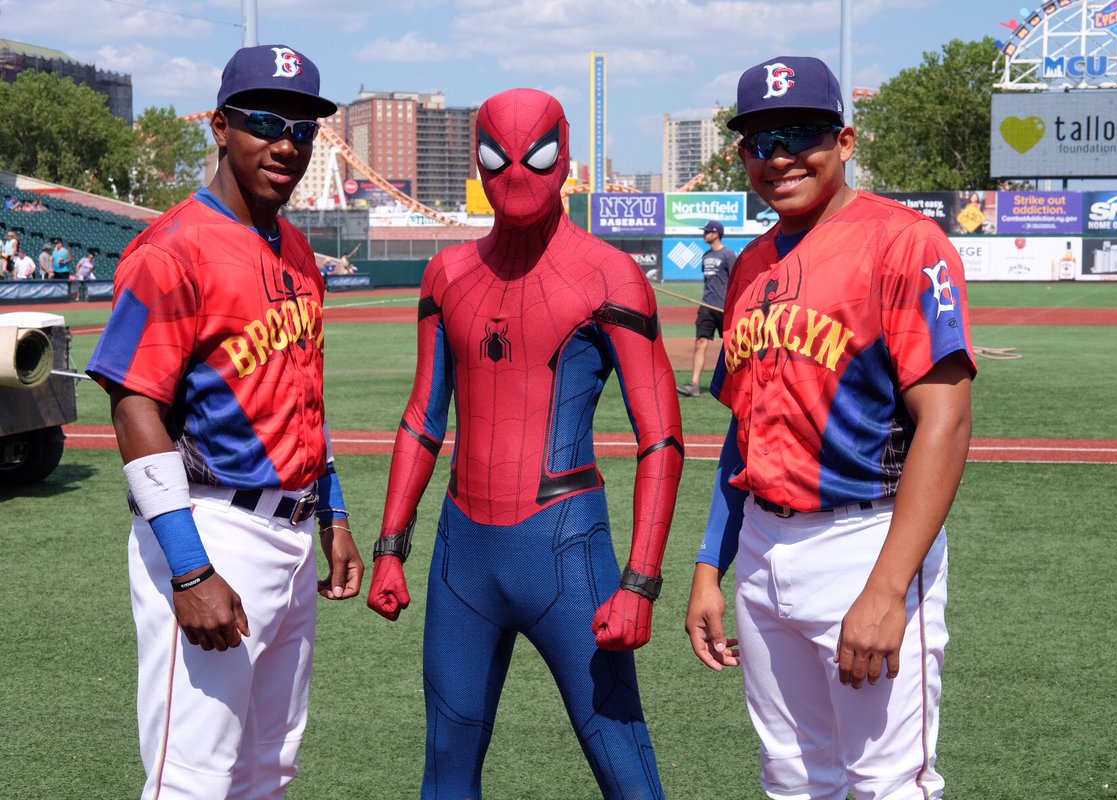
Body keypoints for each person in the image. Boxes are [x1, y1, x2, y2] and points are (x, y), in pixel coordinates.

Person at [367, 88, 684, 799]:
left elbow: (661, 437)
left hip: (566, 550)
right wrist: (391, 547)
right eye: (494, 156)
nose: (514, 173)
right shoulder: (447, 275)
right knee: (446, 761)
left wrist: (639, 583)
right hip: (463, 558)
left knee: (623, 763)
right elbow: (423, 416)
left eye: (536, 156)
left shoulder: (610, 275)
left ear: (564, 158)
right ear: (475, 160)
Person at [683, 55, 975, 800]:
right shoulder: (749, 267)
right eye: (759, 141)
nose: (778, 157)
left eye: (800, 135)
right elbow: (742, 431)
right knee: (792, 775)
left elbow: (945, 420)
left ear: (844, 141)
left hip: (864, 540)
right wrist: (710, 565)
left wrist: (887, 588)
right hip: (761, 548)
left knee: (887, 783)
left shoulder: (905, 243)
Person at [85, 43, 363, 799]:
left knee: (268, 768)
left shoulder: (299, 250)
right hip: (213, 528)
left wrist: (331, 510)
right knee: (193, 779)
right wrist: (190, 567)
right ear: (219, 125)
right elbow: (134, 401)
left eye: (303, 130)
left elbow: (301, 390)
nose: (286, 145)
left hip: (293, 531)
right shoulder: (172, 248)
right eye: (266, 122)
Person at [677, 219, 735, 397]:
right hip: (706, 306)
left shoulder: (728, 254)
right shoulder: (706, 256)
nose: (704, 235)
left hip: (724, 307)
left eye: (707, 232)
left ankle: (737, 385)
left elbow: (735, 280)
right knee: (700, 342)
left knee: (733, 347)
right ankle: (694, 385)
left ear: (716, 233)